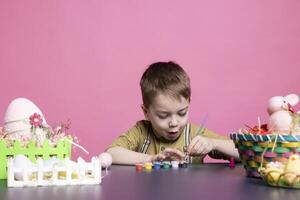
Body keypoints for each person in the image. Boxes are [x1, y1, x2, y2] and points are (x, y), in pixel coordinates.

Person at [106, 61, 239, 165]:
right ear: (146, 112)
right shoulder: (141, 132)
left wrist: (213, 143)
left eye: (182, 113)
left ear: (189, 103)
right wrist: (151, 159)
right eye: (163, 116)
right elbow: (111, 153)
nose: (174, 123)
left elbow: (243, 153)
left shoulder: (195, 134)